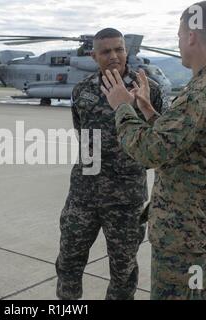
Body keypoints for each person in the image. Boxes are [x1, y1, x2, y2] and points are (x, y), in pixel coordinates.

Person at [101, 1, 206, 299]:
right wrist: (148, 111)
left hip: (183, 240)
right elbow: (182, 144)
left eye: (178, 35)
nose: (178, 42)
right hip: (194, 231)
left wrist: (122, 106)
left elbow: (150, 151)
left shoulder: (200, 93)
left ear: (191, 37)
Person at [55, 28, 164, 300]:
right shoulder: (82, 91)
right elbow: (82, 132)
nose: (114, 56)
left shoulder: (148, 91)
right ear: (94, 56)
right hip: (83, 195)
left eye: (119, 49)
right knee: (68, 262)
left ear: (126, 51)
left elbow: (159, 141)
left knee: (123, 271)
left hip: (126, 201)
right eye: (106, 51)